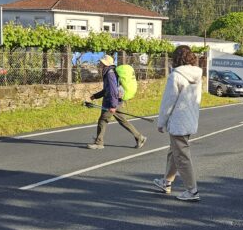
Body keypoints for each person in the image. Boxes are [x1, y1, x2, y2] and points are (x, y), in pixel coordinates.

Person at [152, 45, 203, 201]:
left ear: (176, 58)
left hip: (179, 121)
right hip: (190, 119)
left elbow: (168, 101)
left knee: (181, 156)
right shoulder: (198, 74)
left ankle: (192, 191)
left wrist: (161, 122)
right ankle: (166, 182)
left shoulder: (176, 76)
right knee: (174, 152)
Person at [87, 54, 147, 150]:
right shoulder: (110, 72)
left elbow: (112, 91)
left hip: (111, 102)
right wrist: (95, 96)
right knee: (122, 121)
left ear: (105, 64)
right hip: (114, 101)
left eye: (101, 62)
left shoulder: (109, 74)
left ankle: (99, 142)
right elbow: (108, 89)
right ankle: (139, 137)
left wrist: (113, 105)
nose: (99, 64)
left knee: (103, 120)